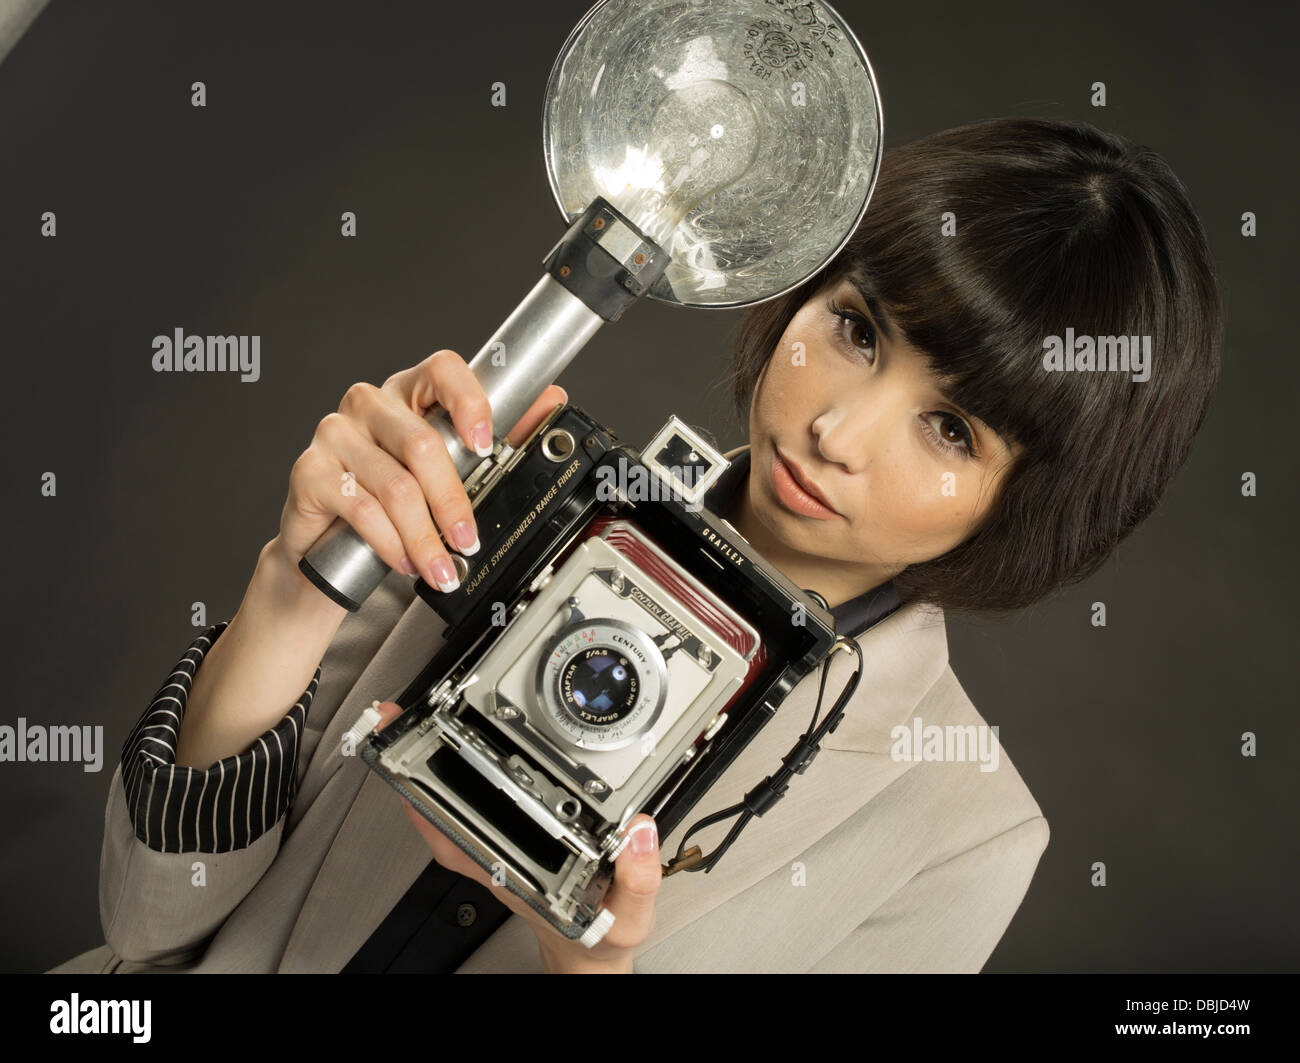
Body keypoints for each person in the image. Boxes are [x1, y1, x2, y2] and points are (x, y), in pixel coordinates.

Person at [51, 116, 1223, 974]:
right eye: (857, 328)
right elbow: (150, 934)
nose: (834, 427)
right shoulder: (517, 493)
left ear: (1029, 504)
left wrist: (590, 966)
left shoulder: (957, 829)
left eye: (949, 427)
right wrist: (293, 593)